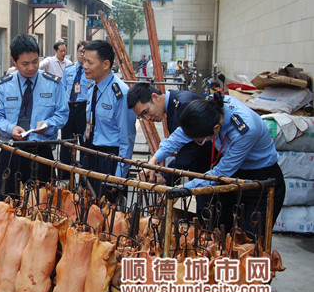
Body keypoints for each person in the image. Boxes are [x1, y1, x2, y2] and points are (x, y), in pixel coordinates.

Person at [145, 92, 285, 235]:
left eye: (200, 141)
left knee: (252, 239)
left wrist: (181, 189)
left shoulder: (245, 130)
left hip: (260, 179)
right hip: (234, 177)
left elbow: (220, 173)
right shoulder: (210, 110)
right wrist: (153, 161)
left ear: (216, 129)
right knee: (220, 232)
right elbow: (179, 136)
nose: (198, 142)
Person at [0, 34, 69, 198]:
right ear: (14, 61)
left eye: (35, 62)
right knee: (7, 203)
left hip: (42, 152)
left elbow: (62, 113)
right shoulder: (3, 86)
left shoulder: (53, 83)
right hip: (10, 151)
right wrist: (11, 129)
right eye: (25, 64)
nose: (31, 67)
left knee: (43, 206)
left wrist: (47, 125)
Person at [126, 82, 212, 185]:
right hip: (203, 173)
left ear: (154, 97)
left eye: (146, 112)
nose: (147, 118)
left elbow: (193, 149)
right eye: (142, 117)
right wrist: (153, 161)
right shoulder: (173, 106)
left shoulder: (184, 105)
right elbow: (175, 141)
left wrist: (166, 176)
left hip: (214, 171)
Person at [82, 40, 137, 198]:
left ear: (106, 64)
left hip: (109, 160)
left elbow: (127, 139)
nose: (85, 65)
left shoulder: (121, 94)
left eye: (89, 62)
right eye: (84, 60)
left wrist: (118, 176)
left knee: (107, 213)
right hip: (89, 153)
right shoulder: (92, 87)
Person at [59, 40, 92, 178]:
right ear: (77, 52)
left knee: (85, 143)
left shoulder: (90, 72)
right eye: (80, 51)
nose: (82, 55)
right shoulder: (69, 70)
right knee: (66, 142)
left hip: (83, 109)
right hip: (69, 108)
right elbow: (63, 89)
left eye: (85, 52)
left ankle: (85, 178)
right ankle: (64, 177)